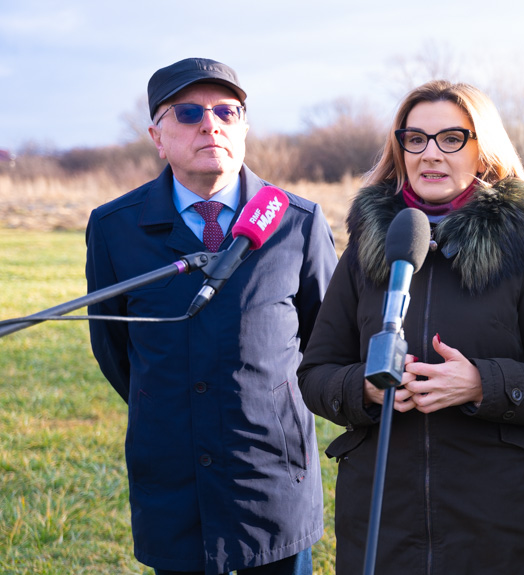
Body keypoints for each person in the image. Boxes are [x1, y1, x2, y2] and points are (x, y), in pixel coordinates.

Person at [297, 80, 524, 574]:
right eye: (415, 139)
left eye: (451, 138)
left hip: (500, 522)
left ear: (482, 151)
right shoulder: (365, 253)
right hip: (382, 516)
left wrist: (483, 383)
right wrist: (366, 390)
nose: (430, 154)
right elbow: (315, 373)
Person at [85, 57, 338, 575]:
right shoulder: (114, 228)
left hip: (271, 478)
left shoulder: (298, 222)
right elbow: (115, 351)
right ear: (157, 135)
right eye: (188, 112)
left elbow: (326, 342)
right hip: (173, 480)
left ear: (243, 126)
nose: (210, 123)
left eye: (227, 111)